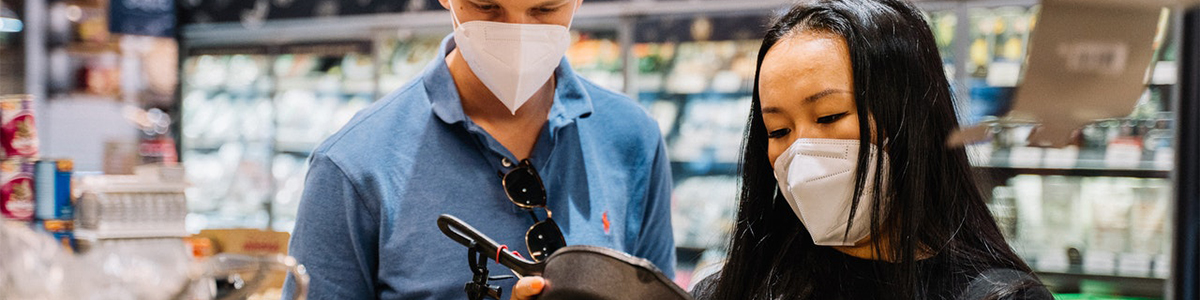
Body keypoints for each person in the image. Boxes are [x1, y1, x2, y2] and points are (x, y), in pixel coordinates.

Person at [281, 0, 677, 298]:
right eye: (486, 6)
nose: (517, 34)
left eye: (544, 9)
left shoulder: (632, 137)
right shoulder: (351, 165)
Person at [686, 0, 1053, 299]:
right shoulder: (732, 290)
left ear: (909, 119)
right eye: (778, 130)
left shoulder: (997, 295)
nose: (799, 152)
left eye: (829, 117)